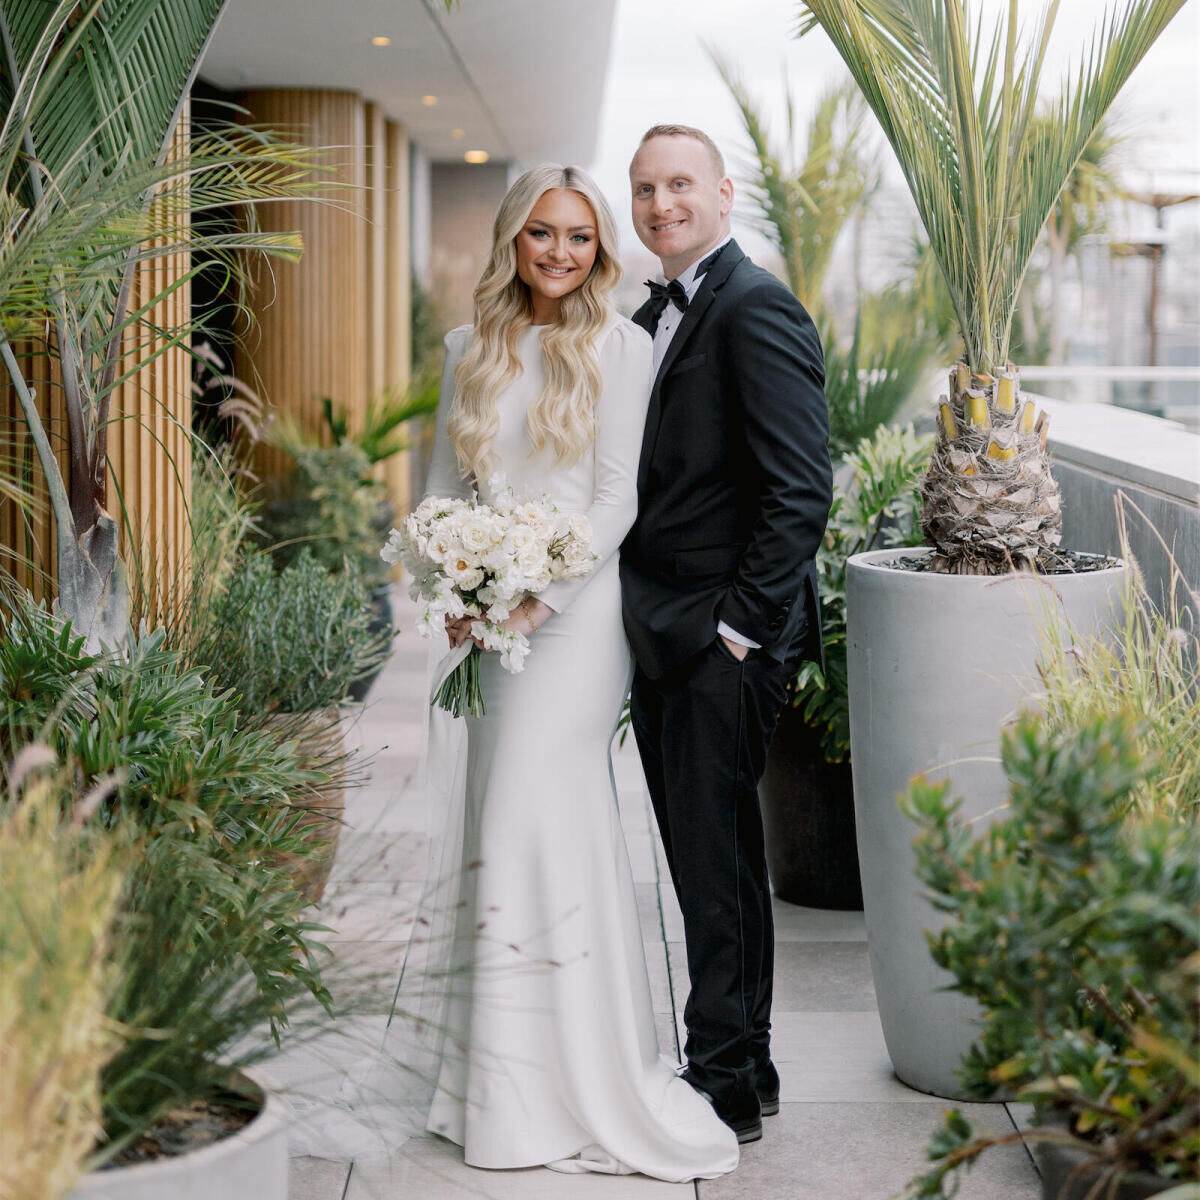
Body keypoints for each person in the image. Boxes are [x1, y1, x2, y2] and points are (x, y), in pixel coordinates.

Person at [409, 164, 737, 1180]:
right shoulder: (469, 349)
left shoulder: (620, 346)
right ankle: (498, 1090)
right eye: (543, 234)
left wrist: (538, 596)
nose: (560, 253)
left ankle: (572, 1083)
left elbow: (613, 500)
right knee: (495, 829)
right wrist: (455, 588)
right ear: (514, 240)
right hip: (492, 630)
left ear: (599, 251)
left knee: (529, 819)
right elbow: (436, 491)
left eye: (581, 238)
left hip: (576, 622)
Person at [621, 125, 833, 1145]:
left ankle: (722, 1082)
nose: (662, 204)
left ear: (722, 192)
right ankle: (748, 1061)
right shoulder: (656, 309)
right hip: (668, 633)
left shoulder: (754, 307)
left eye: (679, 186)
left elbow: (801, 490)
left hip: (718, 642)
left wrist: (739, 633)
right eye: (645, 188)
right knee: (718, 861)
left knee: (714, 867)